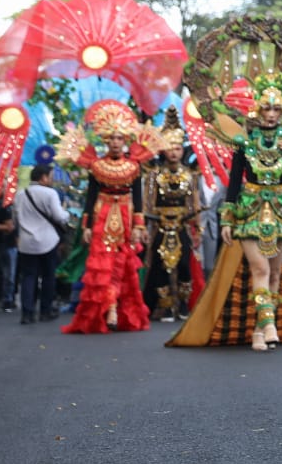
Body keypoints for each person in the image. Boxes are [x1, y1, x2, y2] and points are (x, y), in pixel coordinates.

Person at [220, 71, 282, 352]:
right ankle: (270, 325)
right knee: (259, 267)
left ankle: (260, 331)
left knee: (274, 273)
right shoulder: (244, 141)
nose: (271, 114)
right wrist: (226, 217)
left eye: (276, 108)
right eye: (267, 108)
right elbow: (234, 182)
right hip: (250, 210)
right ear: (258, 109)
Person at [59, 100, 160, 334]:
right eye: (112, 138)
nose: (115, 143)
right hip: (102, 217)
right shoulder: (96, 166)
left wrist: (139, 225)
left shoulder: (134, 167)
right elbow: (90, 198)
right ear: (106, 140)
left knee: (120, 265)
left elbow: (138, 198)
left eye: (120, 138)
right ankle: (110, 309)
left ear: (125, 140)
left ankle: (115, 309)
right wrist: (86, 226)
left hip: (125, 218)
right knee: (102, 266)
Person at [142, 109, 202, 322]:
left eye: (177, 148)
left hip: (182, 225)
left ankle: (183, 303)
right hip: (160, 225)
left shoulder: (189, 174)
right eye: (170, 148)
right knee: (160, 264)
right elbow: (148, 202)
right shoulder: (154, 175)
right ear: (163, 151)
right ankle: (164, 305)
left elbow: (194, 202)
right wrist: (145, 227)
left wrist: (198, 227)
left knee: (184, 264)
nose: (174, 152)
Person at [14, 164, 71, 324]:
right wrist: (67, 213)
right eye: (51, 177)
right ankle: (45, 310)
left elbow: (16, 217)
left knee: (28, 277)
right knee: (48, 276)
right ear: (43, 177)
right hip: (47, 241)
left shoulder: (20, 194)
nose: (52, 180)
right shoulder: (50, 193)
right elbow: (59, 217)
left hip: (26, 242)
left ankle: (27, 313)